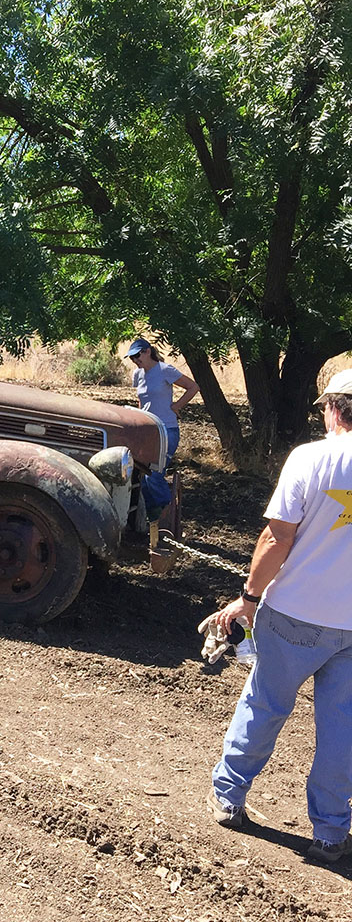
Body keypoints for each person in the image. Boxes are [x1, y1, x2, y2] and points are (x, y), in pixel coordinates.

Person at [207, 368, 352, 864]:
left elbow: (276, 538)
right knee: (342, 729)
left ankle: (229, 797)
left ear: (332, 408)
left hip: (294, 614)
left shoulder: (310, 459)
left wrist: (247, 597)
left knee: (266, 704)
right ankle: (331, 832)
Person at [125, 337, 199, 522]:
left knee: (155, 475)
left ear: (148, 351)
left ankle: (168, 516)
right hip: (148, 431)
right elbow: (142, 400)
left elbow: (193, 387)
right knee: (142, 477)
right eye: (132, 358)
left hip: (167, 430)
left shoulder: (165, 370)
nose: (135, 360)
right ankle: (153, 520)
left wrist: (177, 406)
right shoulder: (138, 374)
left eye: (137, 355)